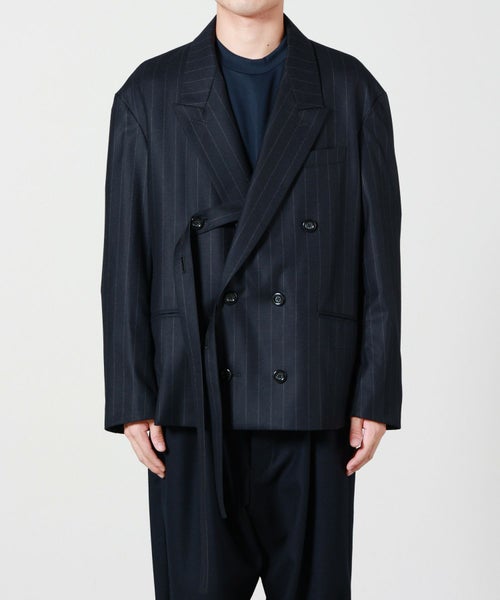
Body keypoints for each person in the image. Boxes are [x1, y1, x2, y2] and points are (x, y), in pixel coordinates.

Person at [100, 1, 403, 598]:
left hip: (315, 402)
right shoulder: (149, 94)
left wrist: (375, 392)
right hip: (192, 406)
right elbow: (125, 258)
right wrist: (132, 396)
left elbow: (378, 256)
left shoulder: (351, 91)